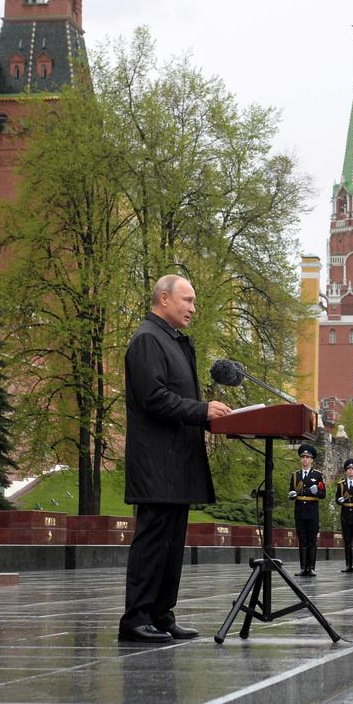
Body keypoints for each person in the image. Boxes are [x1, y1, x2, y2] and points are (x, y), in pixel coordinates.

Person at [120, 275, 231, 644]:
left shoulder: (175, 342)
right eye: (187, 300)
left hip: (178, 460)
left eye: (194, 301)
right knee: (153, 541)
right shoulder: (147, 340)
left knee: (172, 543)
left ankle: (161, 614)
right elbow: (153, 397)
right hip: (156, 462)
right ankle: (136, 618)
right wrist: (201, 410)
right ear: (163, 299)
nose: (193, 308)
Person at [289, 444, 326, 577]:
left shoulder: (317, 475)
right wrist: (292, 495)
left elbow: (323, 494)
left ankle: (311, 567)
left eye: (307, 457)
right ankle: (303, 567)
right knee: (302, 539)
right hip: (299, 510)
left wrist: (317, 492)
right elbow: (291, 492)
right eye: (303, 457)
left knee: (311, 539)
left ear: (312, 460)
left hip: (312, 510)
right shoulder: (295, 476)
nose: (305, 459)